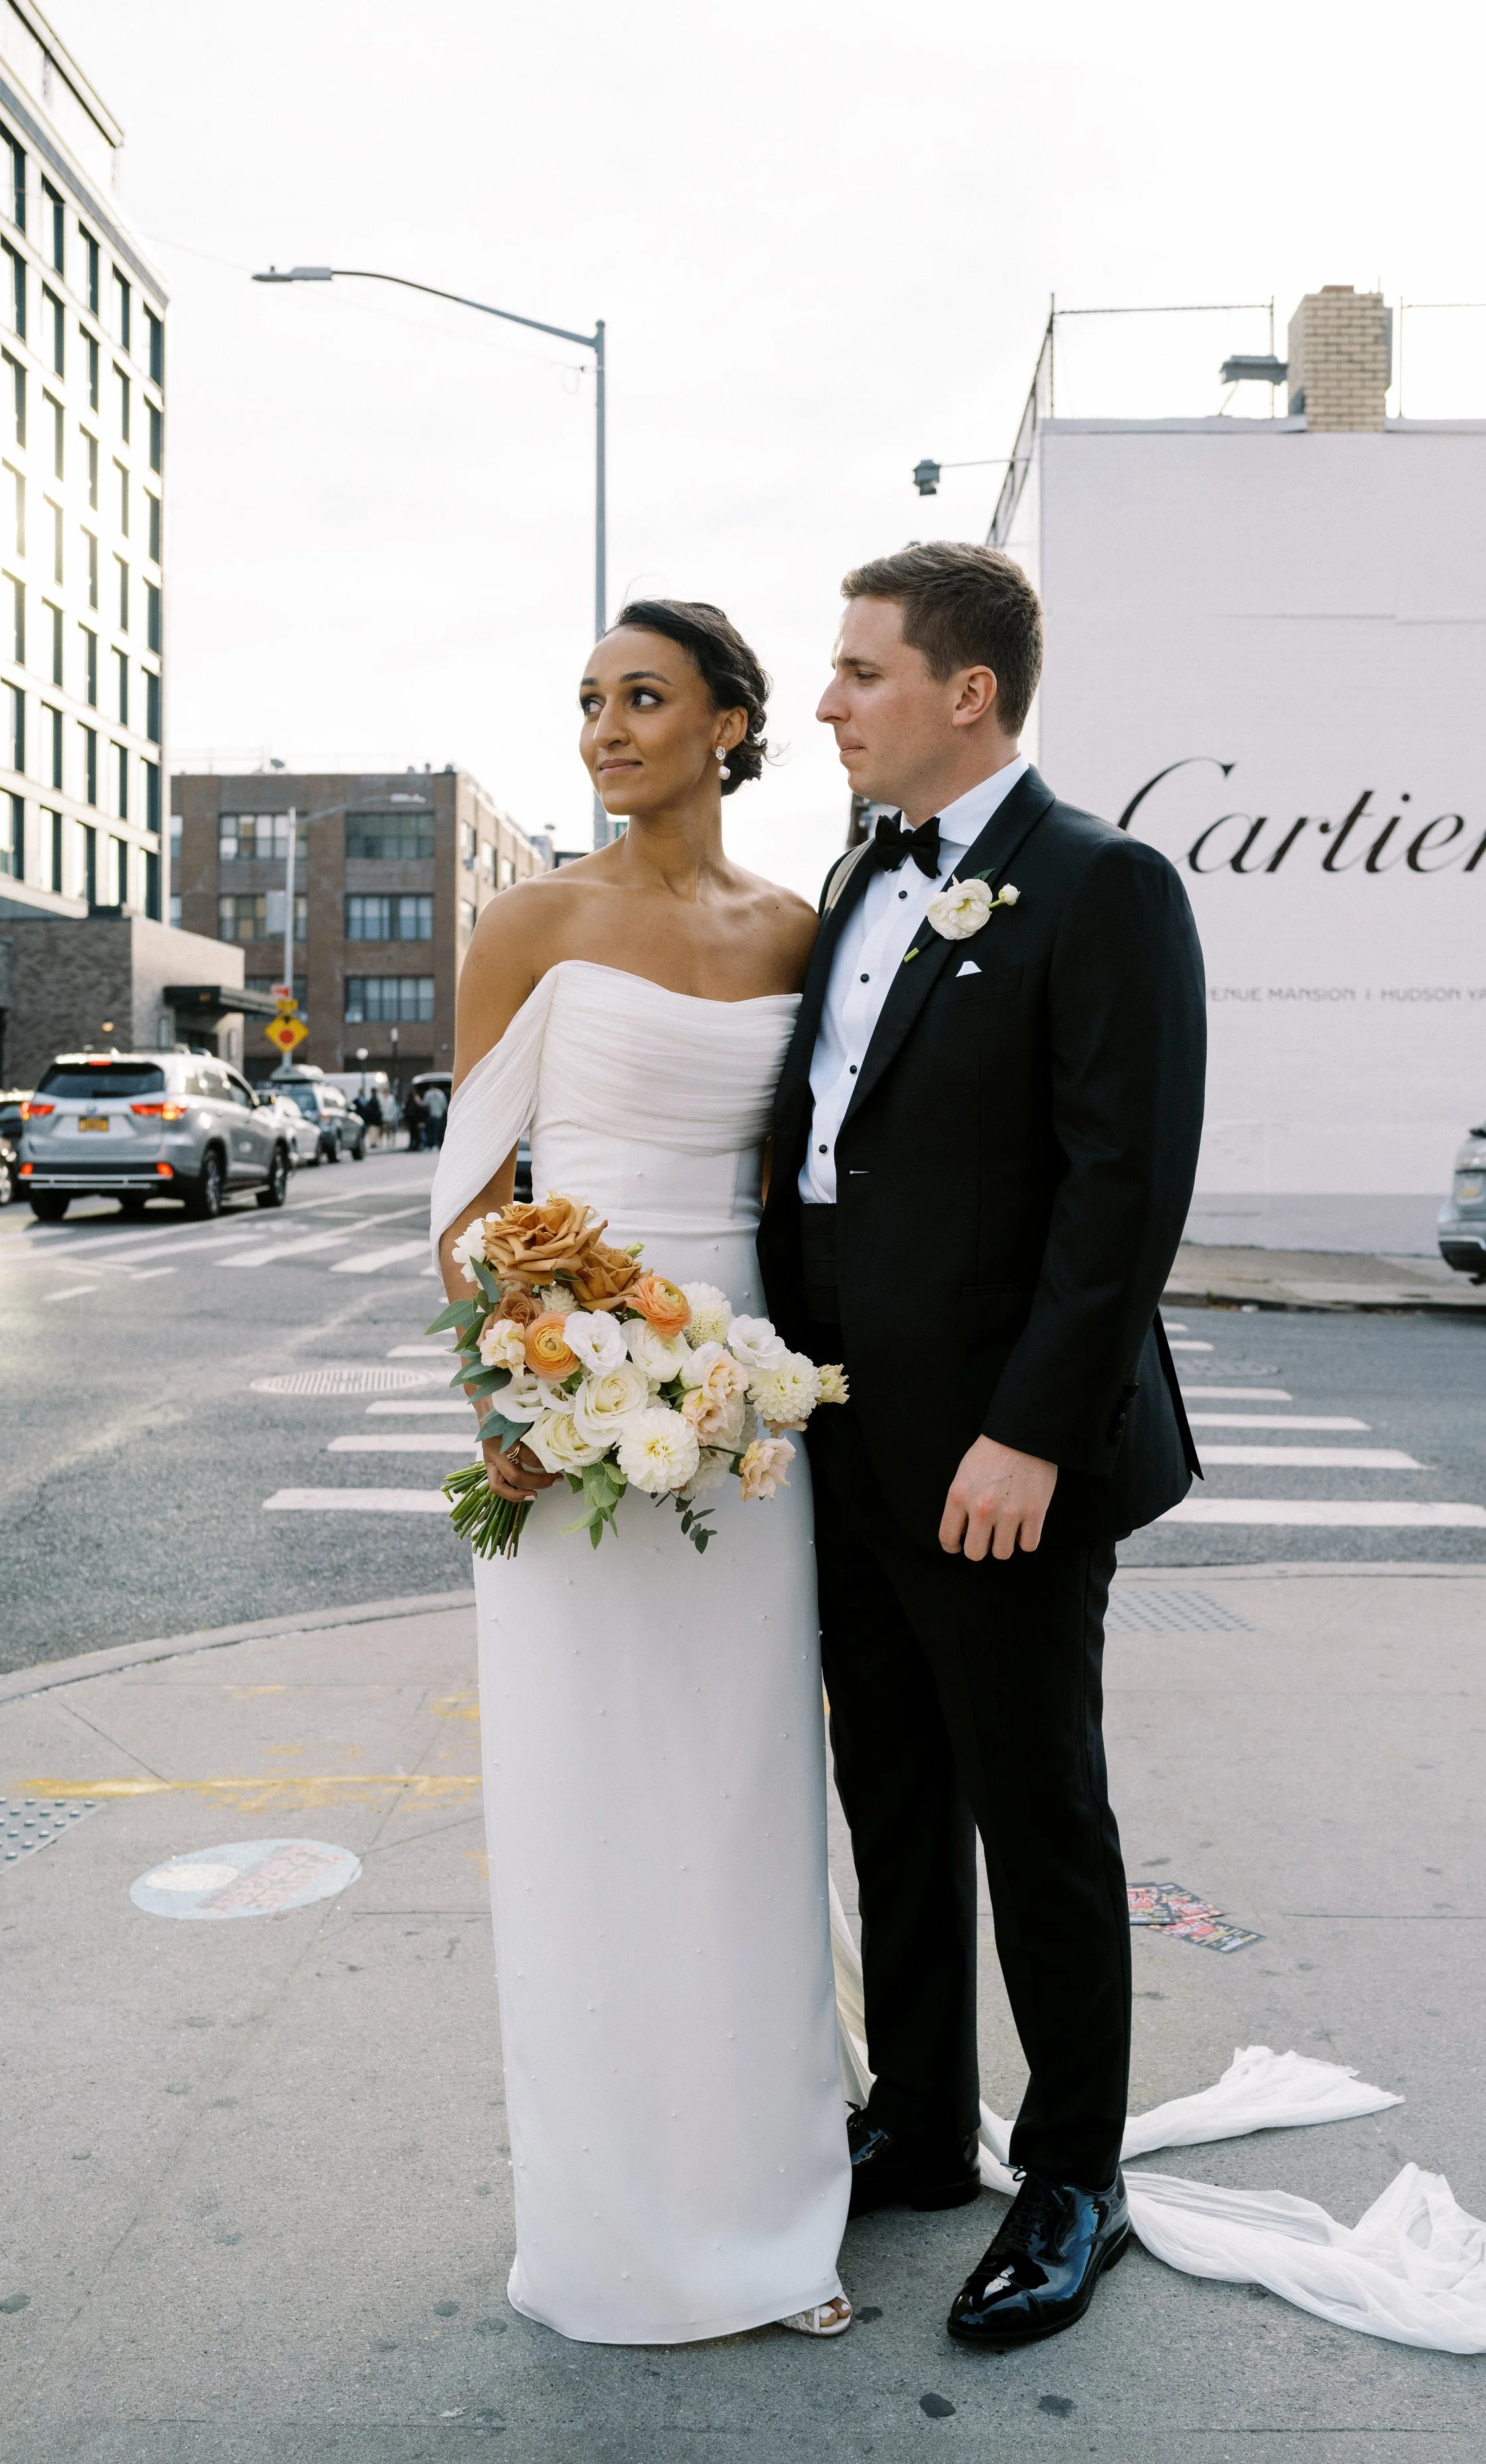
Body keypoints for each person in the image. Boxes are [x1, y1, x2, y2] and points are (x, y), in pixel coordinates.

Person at [757, 543, 1206, 2349]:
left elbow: (1124, 1191)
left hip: (999, 1455)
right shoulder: (858, 872)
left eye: (860, 671)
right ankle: (926, 2124)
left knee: (1037, 1808)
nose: (826, 703)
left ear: (968, 693)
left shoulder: (1104, 884)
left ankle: (1076, 2175)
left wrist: (1029, 1434)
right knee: (891, 1790)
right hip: (840, 1423)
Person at [429, 600, 852, 2345]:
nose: (606, 729)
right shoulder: (529, 921)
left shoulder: (800, 929)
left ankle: (770, 2204)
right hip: (566, 1408)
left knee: (746, 1799)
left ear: (730, 725)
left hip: (746, 1415)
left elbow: (814, 1178)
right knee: (587, 1811)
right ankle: (610, 2226)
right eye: (591, 701)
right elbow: (468, 1199)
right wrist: (525, 1391)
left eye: (645, 698)